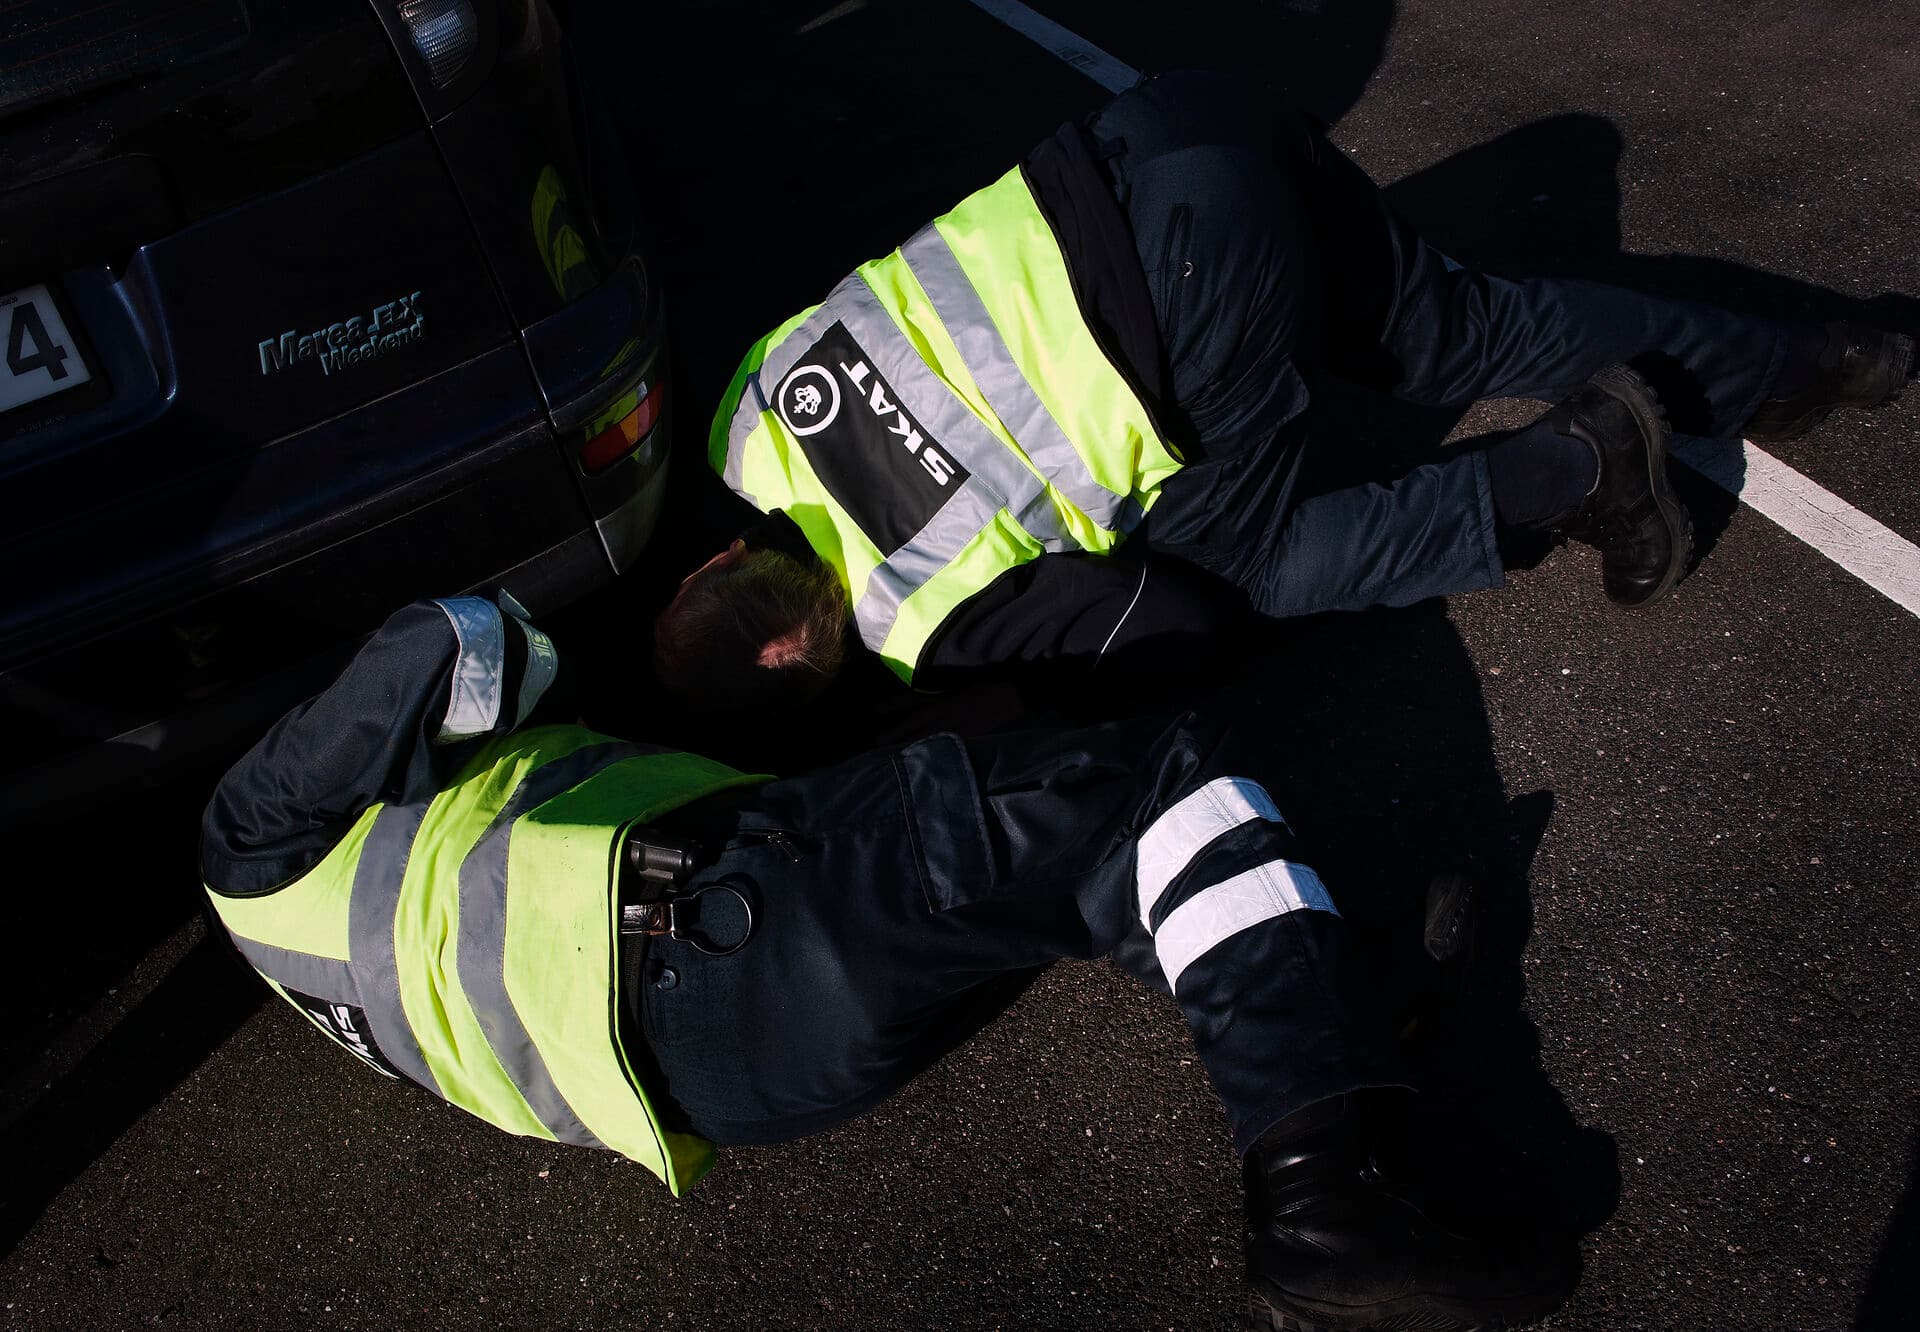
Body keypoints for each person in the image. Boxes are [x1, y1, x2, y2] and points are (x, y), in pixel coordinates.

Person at [203, 593, 1577, 1331]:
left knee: (1060, 886)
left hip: (735, 1086)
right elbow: (459, 638)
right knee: (1153, 797)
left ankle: (1311, 1006)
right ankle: (1323, 1198)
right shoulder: (245, 836)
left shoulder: (306, 960)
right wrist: (543, 663)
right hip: (718, 928)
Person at [655, 71, 1913, 710]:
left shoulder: (915, 621)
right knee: (1457, 331)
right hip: (1164, 127)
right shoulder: (749, 409)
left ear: (789, 657)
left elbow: (1164, 617)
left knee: (1245, 570)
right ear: (713, 566)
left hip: (1202, 285)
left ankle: (1581, 471)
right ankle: (1816, 358)